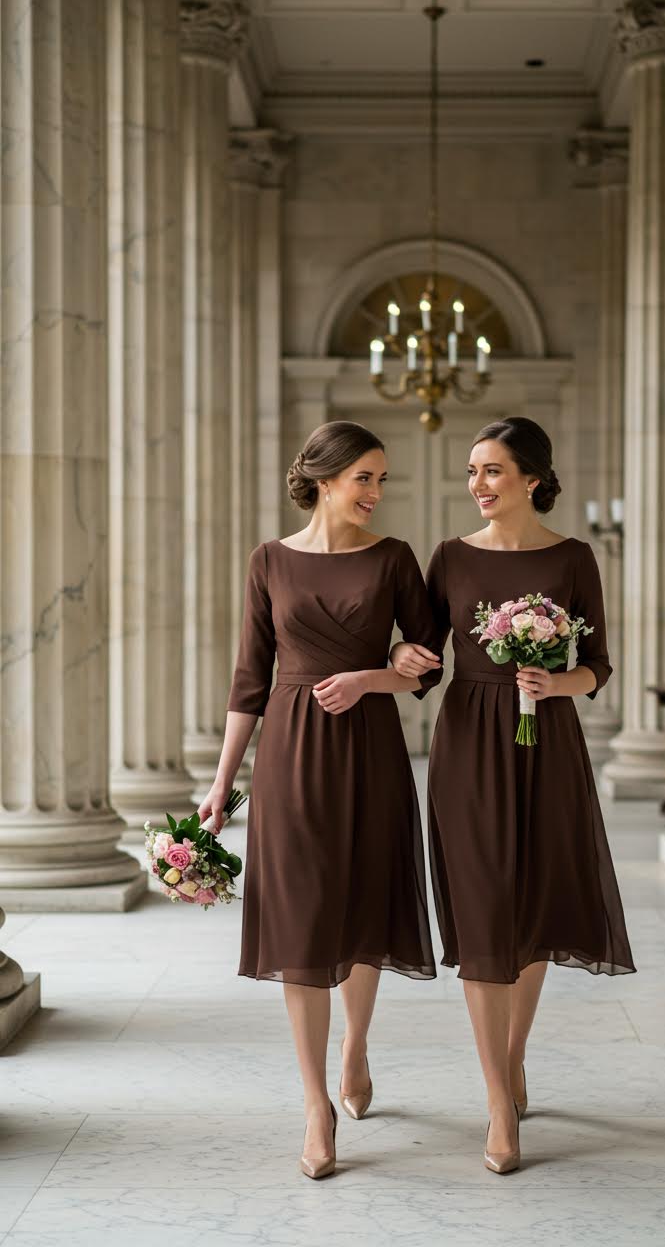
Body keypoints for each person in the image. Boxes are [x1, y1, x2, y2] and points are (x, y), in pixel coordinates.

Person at [392, 415, 636, 1175]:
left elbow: (598, 663)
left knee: (531, 907)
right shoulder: (449, 557)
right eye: (472, 472)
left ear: (532, 477)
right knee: (485, 904)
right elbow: (426, 658)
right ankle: (499, 1102)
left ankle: (512, 1055)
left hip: (548, 742)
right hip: (469, 742)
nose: (478, 485)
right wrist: (400, 653)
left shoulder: (573, 558)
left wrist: (558, 681)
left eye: (492, 470)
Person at [199, 420, 441, 1180]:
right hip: (292, 757)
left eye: (382, 480)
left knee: (364, 904)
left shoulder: (395, 559)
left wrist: (379, 672)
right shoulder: (268, 561)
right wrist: (220, 785)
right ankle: (314, 1105)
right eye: (364, 477)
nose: (376, 492)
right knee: (302, 918)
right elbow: (250, 683)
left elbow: (429, 664)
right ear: (325, 479)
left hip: (371, 750)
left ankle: (356, 1043)